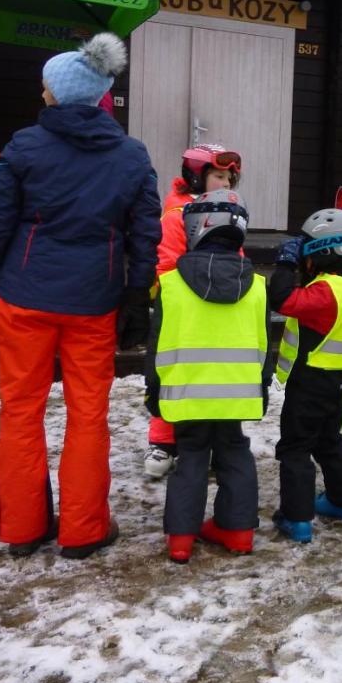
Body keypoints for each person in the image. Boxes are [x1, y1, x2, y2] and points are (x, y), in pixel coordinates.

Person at [0, 32, 161, 559]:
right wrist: (135, 297)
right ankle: (83, 530)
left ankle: (24, 527)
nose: (41, 95)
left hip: (22, 295)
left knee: (19, 411)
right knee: (87, 415)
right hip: (93, 301)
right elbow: (144, 233)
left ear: (59, 94)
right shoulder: (130, 155)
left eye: (45, 88)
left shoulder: (25, 146)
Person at [146, 190, 266, 563]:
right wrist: (260, 388)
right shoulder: (259, 287)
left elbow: (157, 348)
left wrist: (155, 392)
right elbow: (263, 346)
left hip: (187, 394)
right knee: (236, 454)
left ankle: (181, 540)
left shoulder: (171, 286)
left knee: (192, 455)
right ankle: (239, 531)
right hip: (238, 394)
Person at [268, 208, 342, 544]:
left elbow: (281, 299)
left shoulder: (327, 292)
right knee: (328, 440)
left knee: (295, 447)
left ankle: (296, 520)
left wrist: (284, 263)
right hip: (335, 380)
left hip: (309, 382)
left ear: (323, 252)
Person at [143, 144, 244, 479]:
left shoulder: (230, 216)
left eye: (230, 178)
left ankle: (208, 440)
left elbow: (237, 258)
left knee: (212, 376)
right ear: (196, 177)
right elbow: (166, 264)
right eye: (218, 176)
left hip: (218, 311)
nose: (226, 183)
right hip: (183, 311)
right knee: (173, 373)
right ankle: (164, 440)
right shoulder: (176, 216)